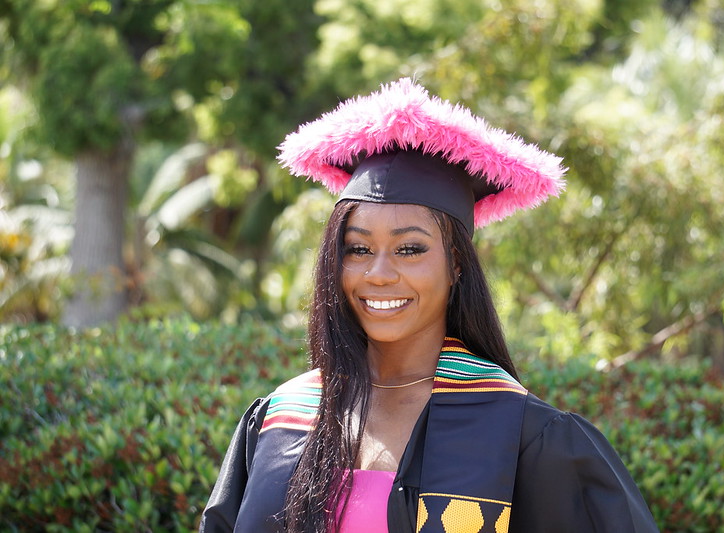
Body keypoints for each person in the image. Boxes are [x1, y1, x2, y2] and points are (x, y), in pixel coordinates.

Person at [200, 78, 659, 532]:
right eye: (358, 249)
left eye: (410, 249)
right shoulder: (282, 419)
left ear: (456, 263)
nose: (378, 273)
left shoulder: (519, 434)